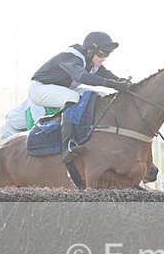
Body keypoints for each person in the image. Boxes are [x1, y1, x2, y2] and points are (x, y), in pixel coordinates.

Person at [28, 31, 132, 163]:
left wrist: (120, 80)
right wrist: (114, 84)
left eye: (107, 54)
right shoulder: (72, 57)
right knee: (72, 97)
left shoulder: (90, 61)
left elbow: (105, 73)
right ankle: (67, 146)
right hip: (40, 88)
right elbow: (82, 77)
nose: (104, 57)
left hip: (61, 88)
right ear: (89, 50)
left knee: (99, 95)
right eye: (102, 53)